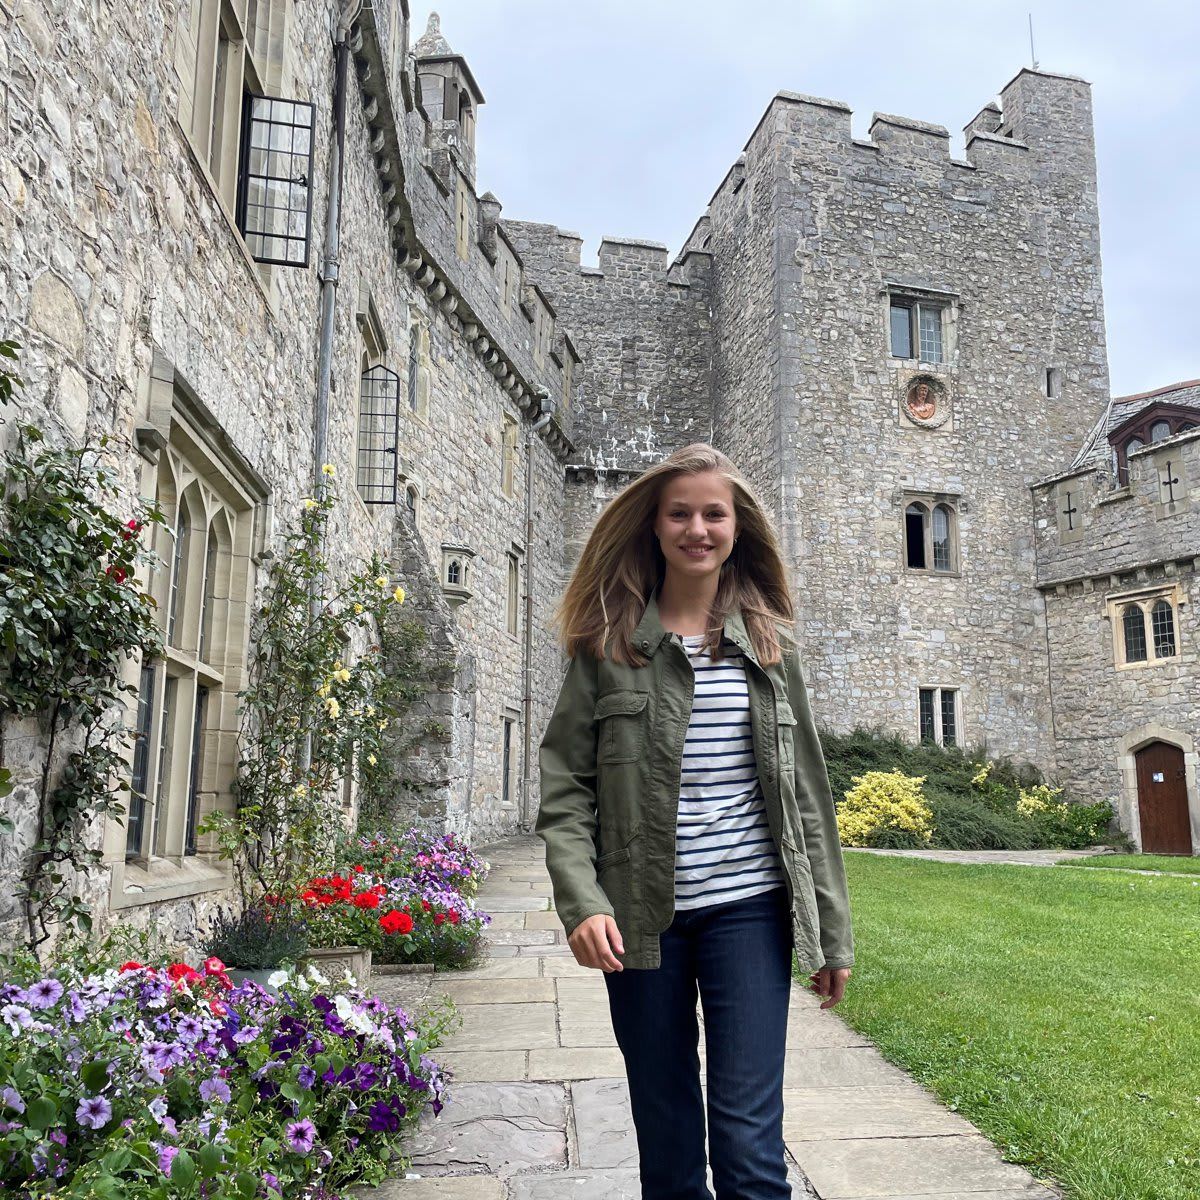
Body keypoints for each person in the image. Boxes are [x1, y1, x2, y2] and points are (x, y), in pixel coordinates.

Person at [536, 442, 854, 1200]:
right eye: (679, 513)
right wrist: (584, 902)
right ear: (654, 526)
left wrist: (830, 933)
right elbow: (565, 788)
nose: (697, 528)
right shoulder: (607, 650)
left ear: (737, 527)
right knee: (669, 1138)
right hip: (642, 920)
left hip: (749, 913)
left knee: (749, 1145)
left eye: (715, 513)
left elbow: (807, 792)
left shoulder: (771, 650)